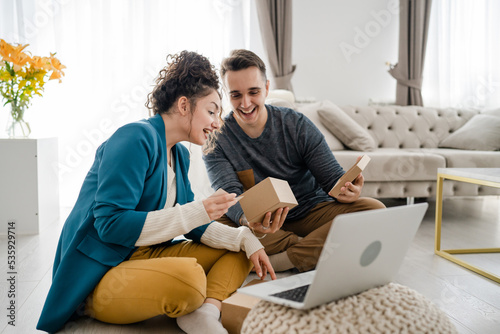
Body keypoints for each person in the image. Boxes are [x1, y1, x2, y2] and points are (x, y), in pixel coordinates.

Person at [37, 51, 275, 334]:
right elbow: (110, 225)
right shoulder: (134, 138)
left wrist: (245, 237)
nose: (216, 123)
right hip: (103, 272)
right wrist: (199, 210)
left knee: (239, 250)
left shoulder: (180, 156)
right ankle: (87, 303)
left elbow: (195, 226)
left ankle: (205, 311)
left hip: (145, 257)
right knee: (190, 279)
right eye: (211, 111)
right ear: (184, 105)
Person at [203, 49, 386, 273]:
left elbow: (331, 180)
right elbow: (228, 195)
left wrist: (349, 190)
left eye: (254, 92)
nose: (246, 103)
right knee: (207, 222)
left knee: (375, 210)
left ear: (267, 88)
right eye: (236, 95)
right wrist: (247, 221)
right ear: (226, 94)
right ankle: (315, 249)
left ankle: (287, 258)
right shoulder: (215, 137)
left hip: (311, 212)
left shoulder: (296, 124)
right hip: (262, 223)